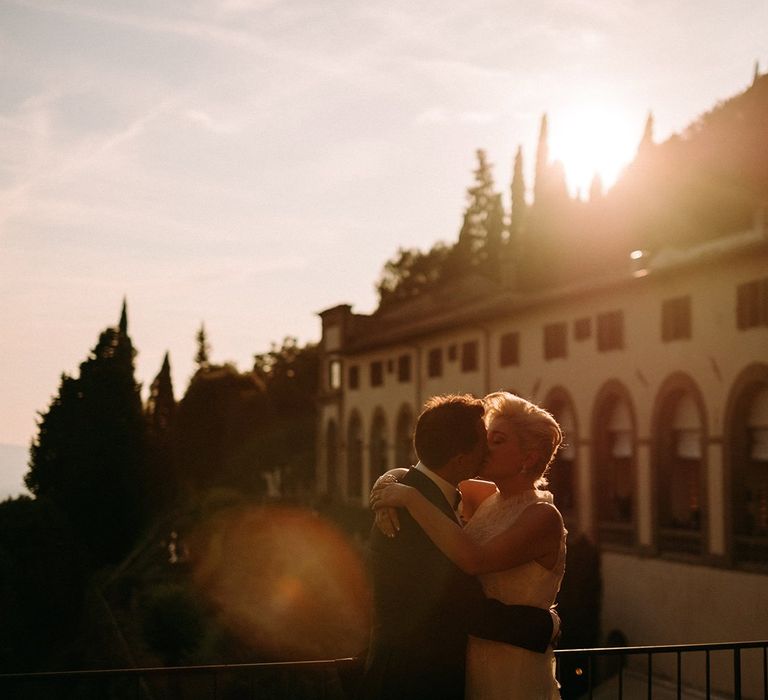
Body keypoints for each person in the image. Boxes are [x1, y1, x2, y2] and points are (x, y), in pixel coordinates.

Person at [357, 394, 556, 700]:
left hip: (504, 668)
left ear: (528, 458)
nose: (487, 448)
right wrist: (546, 625)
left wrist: (406, 492)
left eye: (497, 440)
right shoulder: (429, 509)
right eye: (485, 439)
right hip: (414, 682)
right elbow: (464, 608)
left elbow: (472, 561)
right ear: (461, 458)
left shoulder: (537, 514)